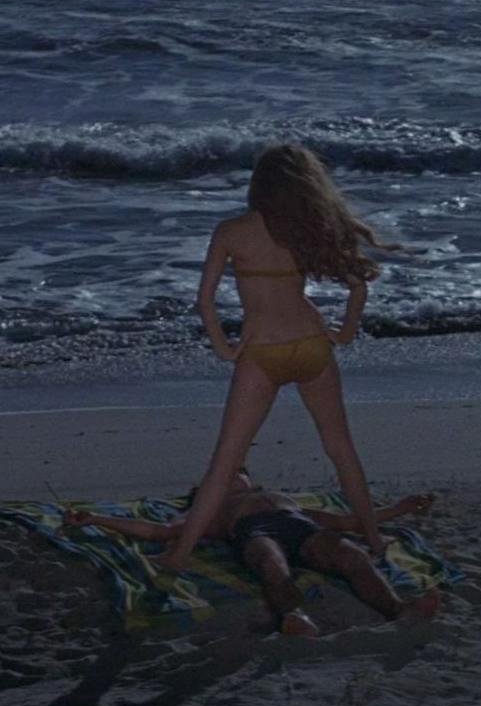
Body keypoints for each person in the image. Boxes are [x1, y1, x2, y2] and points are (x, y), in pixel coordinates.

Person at [152, 143, 396, 575]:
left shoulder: (232, 230)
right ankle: (375, 541)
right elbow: (358, 288)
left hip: (262, 351)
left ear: (258, 185)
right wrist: (343, 334)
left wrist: (223, 347)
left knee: (226, 460)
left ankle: (179, 554)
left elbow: (205, 301)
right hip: (312, 344)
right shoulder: (308, 230)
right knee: (340, 448)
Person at [67, 467, 441, 636]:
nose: (232, 473)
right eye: (223, 473)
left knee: (351, 555)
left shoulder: (281, 497)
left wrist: (400, 509)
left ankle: (398, 610)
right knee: (272, 564)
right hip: (254, 532)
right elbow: (158, 530)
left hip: (300, 526)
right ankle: (295, 617)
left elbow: (347, 521)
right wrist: (95, 518)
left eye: (238, 471)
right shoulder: (211, 509)